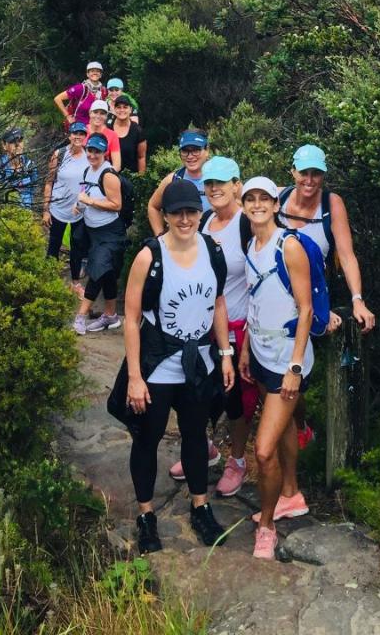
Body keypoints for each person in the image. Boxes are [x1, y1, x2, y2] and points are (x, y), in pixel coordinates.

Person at [123, 179, 233, 554]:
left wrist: (226, 353)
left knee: (195, 435)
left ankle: (200, 505)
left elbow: (218, 303)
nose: (184, 219)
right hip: (158, 364)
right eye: (176, 212)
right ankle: (145, 514)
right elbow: (131, 316)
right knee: (148, 437)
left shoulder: (211, 249)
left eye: (191, 211)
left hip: (198, 363)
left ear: (199, 212)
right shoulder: (149, 256)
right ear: (165, 215)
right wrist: (135, 377)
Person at [277, 144, 375, 448]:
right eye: (304, 172)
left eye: (316, 173)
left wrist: (357, 298)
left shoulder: (332, 204)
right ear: (292, 171)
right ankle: (282, 425)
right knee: (273, 366)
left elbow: (346, 255)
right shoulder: (275, 196)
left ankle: (297, 425)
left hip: (310, 300)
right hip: (274, 297)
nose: (309, 179)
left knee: (297, 372)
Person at [167, 156, 256, 494]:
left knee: (235, 399)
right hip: (202, 325)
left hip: (238, 327)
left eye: (222, 181)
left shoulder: (248, 223)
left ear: (237, 185)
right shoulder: (203, 221)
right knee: (198, 390)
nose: (215, 188)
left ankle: (237, 460)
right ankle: (205, 448)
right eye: (209, 183)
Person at [238, 177, 315, 560]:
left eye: (263, 198)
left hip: (288, 359)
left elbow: (306, 309)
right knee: (284, 427)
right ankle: (291, 494)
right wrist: (247, 351)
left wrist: (295, 367)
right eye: (250, 199)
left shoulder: (290, 246)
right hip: (263, 354)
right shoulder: (252, 244)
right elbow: (256, 302)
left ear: (274, 203)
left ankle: (266, 527)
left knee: (263, 450)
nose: (256, 204)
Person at [73, 134, 125, 335]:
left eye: (97, 151)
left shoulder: (109, 175)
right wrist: (78, 206)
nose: (92, 155)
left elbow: (116, 205)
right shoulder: (88, 170)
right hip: (92, 231)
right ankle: (111, 315)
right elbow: (85, 194)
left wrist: (90, 202)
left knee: (97, 270)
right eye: (90, 150)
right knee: (108, 273)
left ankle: (81, 316)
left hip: (110, 233)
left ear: (105, 153)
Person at [43, 122, 89, 293]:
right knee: (53, 245)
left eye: (81, 134)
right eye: (74, 133)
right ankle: (48, 281)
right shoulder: (59, 154)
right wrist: (45, 210)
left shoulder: (89, 157)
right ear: (69, 135)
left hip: (78, 211)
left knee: (77, 247)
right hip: (57, 209)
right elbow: (49, 182)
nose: (78, 137)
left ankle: (75, 282)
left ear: (85, 137)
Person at [146, 130, 210, 234]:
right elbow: (153, 206)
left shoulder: (220, 178)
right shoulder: (173, 179)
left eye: (196, 150)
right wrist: (160, 239)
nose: (190, 156)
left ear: (207, 150)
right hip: (182, 245)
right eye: (185, 151)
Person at [0, 126, 38, 210]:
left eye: (20, 140)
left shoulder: (30, 166)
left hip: (26, 215)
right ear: (4, 145)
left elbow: (32, 188)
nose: (17, 145)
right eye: (13, 141)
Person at [54, 61, 107, 129]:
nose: (95, 73)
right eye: (92, 71)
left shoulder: (103, 91)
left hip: (94, 129)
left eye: (98, 71)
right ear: (87, 74)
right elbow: (57, 98)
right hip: (78, 129)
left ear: (101, 74)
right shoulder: (81, 88)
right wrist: (67, 116)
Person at [108, 93, 147, 175]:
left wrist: (141, 179)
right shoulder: (108, 128)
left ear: (130, 109)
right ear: (114, 109)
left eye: (125, 107)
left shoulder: (137, 130)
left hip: (131, 178)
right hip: (110, 177)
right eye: (118, 107)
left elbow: (141, 157)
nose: (122, 110)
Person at [86, 101, 122, 170]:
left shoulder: (112, 135)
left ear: (106, 116)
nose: (98, 116)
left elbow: (117, 165)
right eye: (95, 112)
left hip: (102, 173)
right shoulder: (81, 131)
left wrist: (106, 176)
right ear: (90, 113)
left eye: (102, 113)